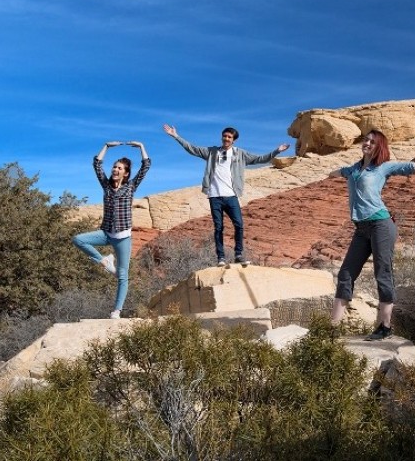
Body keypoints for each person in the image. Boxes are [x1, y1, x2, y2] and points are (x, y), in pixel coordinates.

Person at [329, 129, 415, 341]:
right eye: (366, 140)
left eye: (372, 142)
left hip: (381, 224)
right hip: (361, 228)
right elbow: (337, 173)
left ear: (379, 147)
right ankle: (331, 328)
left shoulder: (383, 167)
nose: (367, 143)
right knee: (345, 273)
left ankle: (384, 326)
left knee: (382, 272)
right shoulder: (353, 169)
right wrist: (330, 173)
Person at [162, 124, 290, 266]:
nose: (226, 139)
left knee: (239, 225)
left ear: (234, 140)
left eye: (229, 137)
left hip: (231, 195)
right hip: (214, 195)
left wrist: (277, 151)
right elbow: (192, 149)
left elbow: (259, 159)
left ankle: (239, 255)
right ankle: (221, 258)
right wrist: (176, 136)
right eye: (225, 136)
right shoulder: (212, 152)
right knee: (218, 227)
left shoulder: (240, 153)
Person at [72, 140, 150, 319]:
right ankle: (104, 261)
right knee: (78, 239)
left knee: (123, 275)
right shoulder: (106, 186)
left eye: (119, 168)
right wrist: (106, 146)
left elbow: (146, 165)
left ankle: (117, 311)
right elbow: (97, 164)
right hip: (106, 233)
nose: (115, 170)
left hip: (123, 238)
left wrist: (141, 147)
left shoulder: (131, 187)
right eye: (114, 167)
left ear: (126, 173)